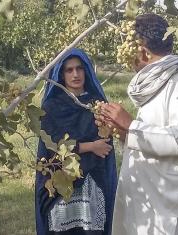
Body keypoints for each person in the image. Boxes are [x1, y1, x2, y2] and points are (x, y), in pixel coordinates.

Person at [98, 14, 178, 235]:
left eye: (131, 51)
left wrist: (131, 125)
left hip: (173, 210)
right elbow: (158, 133)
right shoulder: (160, 80)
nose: (129, 60)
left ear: (143, 51)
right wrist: (125, 133)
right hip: (152, 203)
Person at [35, 48, 117, 235]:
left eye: (79, 69)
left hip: (92, 180)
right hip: (63, 181)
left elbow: (105, 141)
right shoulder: (52, 106)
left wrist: (101, 143)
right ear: (61, 75)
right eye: (69, 70)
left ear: (86, 71)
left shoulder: (97, 104)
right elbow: (53, 145)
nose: (75, 74)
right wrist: (91, 146)